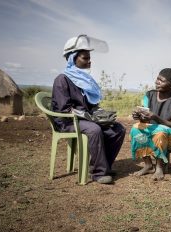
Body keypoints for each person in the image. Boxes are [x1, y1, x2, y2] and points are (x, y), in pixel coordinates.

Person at [51, 34, 126, 184]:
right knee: (94, 129)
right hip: (67, 121)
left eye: (89, 58)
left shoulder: (85, 80)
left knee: (118, 129)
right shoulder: (62, 79)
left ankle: (102, 165)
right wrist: (91, 118)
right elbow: (64, 109)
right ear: (73, 58)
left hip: (84, 119)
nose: (89, 61)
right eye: (85, 58)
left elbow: (92, 105)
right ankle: (99, 173)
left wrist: (101, 116)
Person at [130, 68, 171, 181]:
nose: (157, 82)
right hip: (152, 129)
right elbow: (146, 122)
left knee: (160, 132)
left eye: (162, 80)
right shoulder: (149, 95)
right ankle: (148, 165)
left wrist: (155, 117)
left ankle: (159, 168)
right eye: (157, 79)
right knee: (135, 128)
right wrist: (140, 117)